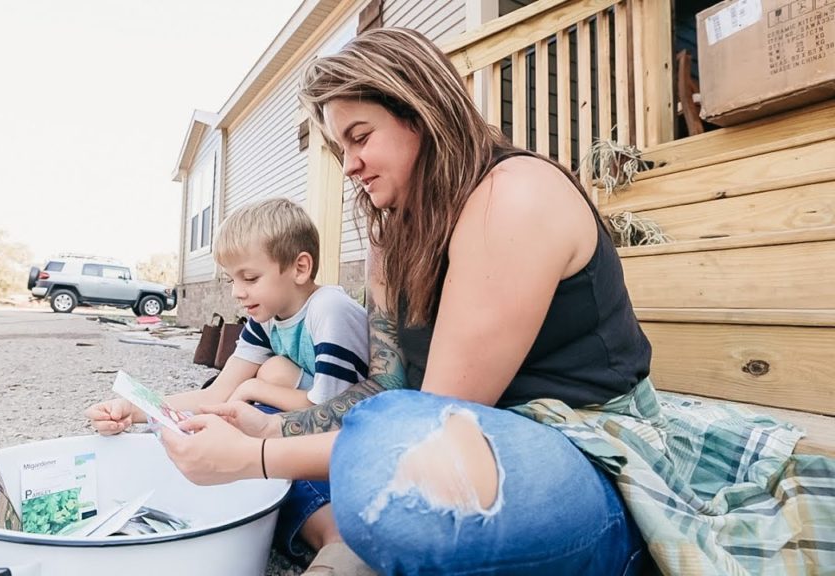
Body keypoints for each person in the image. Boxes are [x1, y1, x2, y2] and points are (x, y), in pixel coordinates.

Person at [153, 28, 654, 576]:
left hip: (584, 458)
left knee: (385, 460)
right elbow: (385, 385)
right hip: (458, 449)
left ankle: (353, 538)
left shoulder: (513, 195)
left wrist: (257, 458)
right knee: (278, 413)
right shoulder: (392, 239)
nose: (348, 164)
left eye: (360, 137)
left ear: (419, 112)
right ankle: (339, 541)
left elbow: (430, 423)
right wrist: (268, 430)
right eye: (339, 148)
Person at [86, 196, 369, 565]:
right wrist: (136, 409)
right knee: (232, 421)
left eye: (249, 278)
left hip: (344, 442)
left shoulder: (329, 310)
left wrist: (253, 389)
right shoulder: (266, 317)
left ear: (300, 267)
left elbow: (331, 413)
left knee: (259, 396)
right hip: (294, 422)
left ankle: (338, 538)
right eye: (231, 279)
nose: (237, 291)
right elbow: (219, 392)